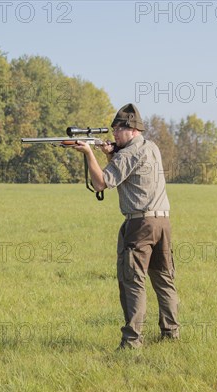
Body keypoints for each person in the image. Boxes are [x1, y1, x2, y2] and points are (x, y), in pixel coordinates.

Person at [73, 103, 180, 349]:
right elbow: (129, 172)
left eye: (117, 131)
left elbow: (101, 183)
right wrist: (111, 153)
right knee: (164, 281)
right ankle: (171, 334)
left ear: (131, 130)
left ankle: (132, 341)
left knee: (133, 281)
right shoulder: (151, 147)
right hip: (162, 222)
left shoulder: (127, 154)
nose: (113, 136)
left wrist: (90, 153)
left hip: (140, 224)